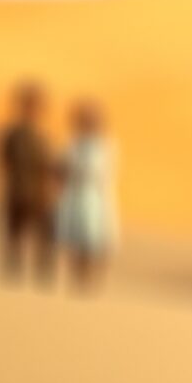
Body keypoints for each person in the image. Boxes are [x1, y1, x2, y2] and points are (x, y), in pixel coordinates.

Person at [0, 81, 60, 285]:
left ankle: (41, 278)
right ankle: (12, 277)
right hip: (17, 191)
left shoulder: (43, 136)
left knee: (44, 238)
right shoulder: (12, 135)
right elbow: (0, 161)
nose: (34, 110)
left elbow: (51, 165)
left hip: (39, 194)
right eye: (30, 105)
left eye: (36, 106)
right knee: (14, 237)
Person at [54, 99, 118, 290]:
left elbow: (103, 170)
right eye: (85, 120)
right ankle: (78, 278)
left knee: (96, 239)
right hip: (74, 196)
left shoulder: (106, 145)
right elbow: (62, 166)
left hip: (96, 197)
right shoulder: (73, 143)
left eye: (92, 120)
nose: (88, 123)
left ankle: (93, 280)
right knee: (75, 239)